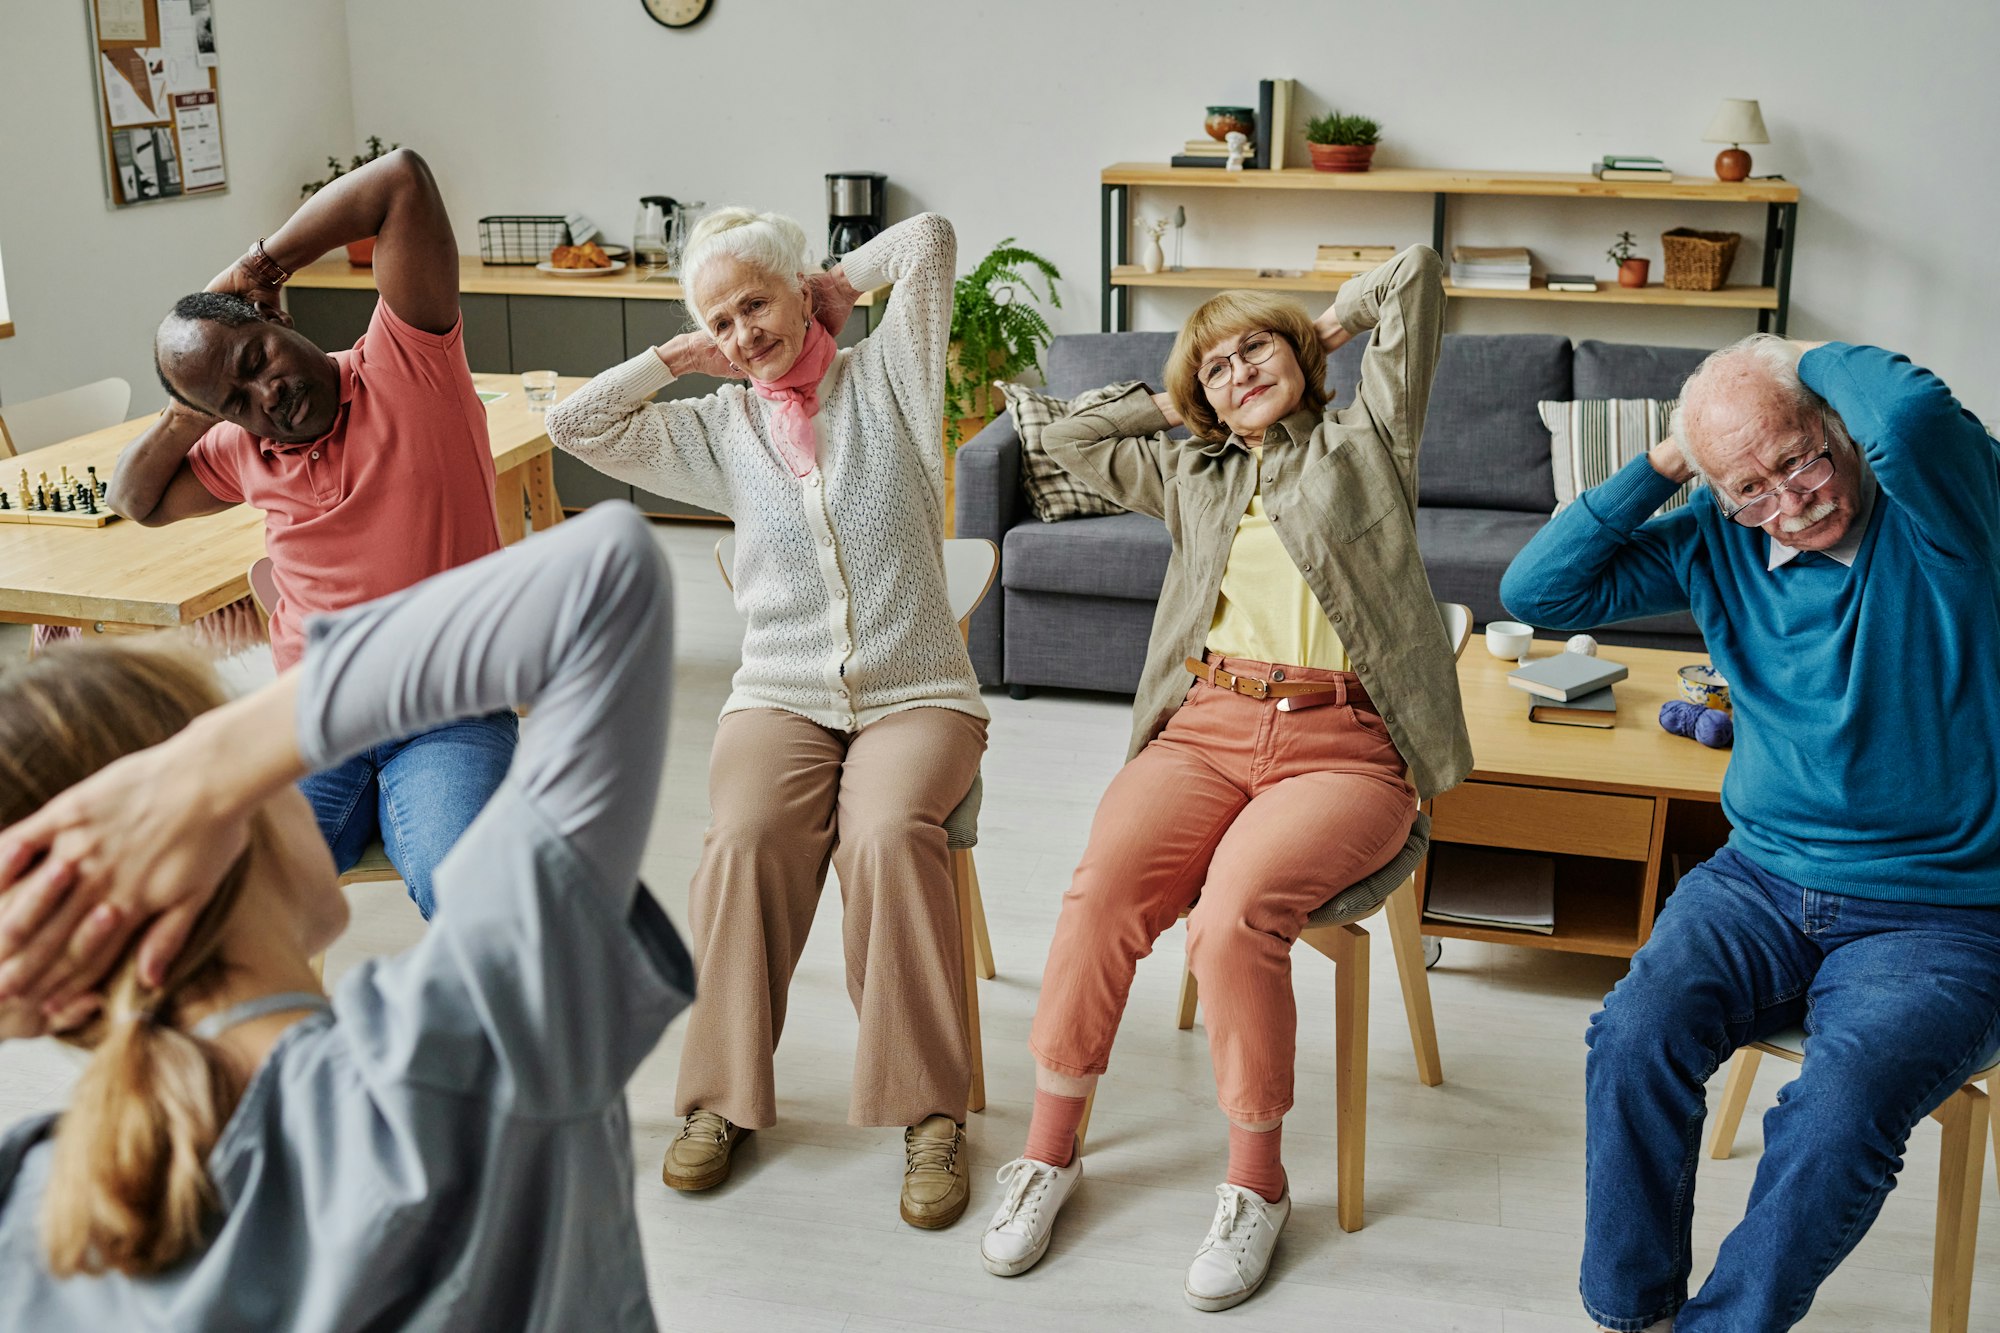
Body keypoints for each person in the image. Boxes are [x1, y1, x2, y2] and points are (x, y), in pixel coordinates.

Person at [0, 503, 693, 1331]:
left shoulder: (38, 1205)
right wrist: (208, 763)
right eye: (240, 738)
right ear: (209, 812)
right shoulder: (463, 1050)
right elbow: (606, 573)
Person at [977, 247, 1472, 1310]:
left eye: (1257, 347)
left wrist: (1323, 326)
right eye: (1216, 366)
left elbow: (1415, 275)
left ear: (1295, 352)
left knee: (1233, 916)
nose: (1239, 370)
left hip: (1343, 746)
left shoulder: (1366, 440)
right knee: (1100, 889)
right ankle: (1048, 1154)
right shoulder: (1187, 471)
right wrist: (1166, 396)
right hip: (1202, 728)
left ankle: (1256, 1185)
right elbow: (1054, 436)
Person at [1497, 334, 2000, 1332]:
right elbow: (1535, 593)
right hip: (1760, 878)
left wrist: (1797, 353)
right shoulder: (1713, 535)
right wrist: (1670, 459)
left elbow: (1904, 417)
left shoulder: (1944, 519)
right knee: (1631, 1035)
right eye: (1751, 486)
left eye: (1800, 457)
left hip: (1945, 912)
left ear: (1832, 427)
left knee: (1839, 1105)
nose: (1790, 498)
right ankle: (1630, 1310)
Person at [547, 209, 987, 1227]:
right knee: (742, 840)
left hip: (915, 691)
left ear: (800, 292)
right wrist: (674, 354)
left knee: (884, 835)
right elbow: (576, 427)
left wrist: (835, 283)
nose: (743, 332)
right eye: (721, 320)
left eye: (757, 302)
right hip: (779, 695)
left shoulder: (890, 376)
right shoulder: (717, 429)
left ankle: (930, 1113)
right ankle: (718, 1103)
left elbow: (925, 239)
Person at [105, 148, 514, 920]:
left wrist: (261, 263)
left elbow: (400, 180)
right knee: (224, 903)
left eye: (257, 358)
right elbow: (135, 498)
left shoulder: (407, 366)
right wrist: (192, 411)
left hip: (449, 713)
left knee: (474, 897)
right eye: (236, 399)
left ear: (277, 317)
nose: (270, 393)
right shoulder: (241, 448)